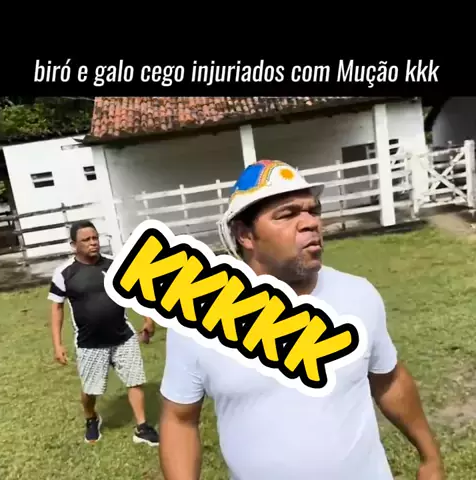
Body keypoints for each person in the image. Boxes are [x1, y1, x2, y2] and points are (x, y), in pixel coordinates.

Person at [158, 160, 445, 479]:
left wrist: (430, 456)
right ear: (245, 235)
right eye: (288, 214)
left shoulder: (358, 295)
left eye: (313, 210)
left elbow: (388, 380)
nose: (310, 223)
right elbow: (179, 419)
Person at [48, 220, 160, 446]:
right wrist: (58, 344)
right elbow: (57, 308)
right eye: (86, 240)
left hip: (123, 337)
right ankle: (91, 418)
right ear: (74, 245)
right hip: (89, 342)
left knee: (134, 381)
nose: (93, 243)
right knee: (91, 390)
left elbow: (134, 293)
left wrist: (148, 319)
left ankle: (142, 427)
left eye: (95, 238)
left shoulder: (114, 265)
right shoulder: (64, 273)